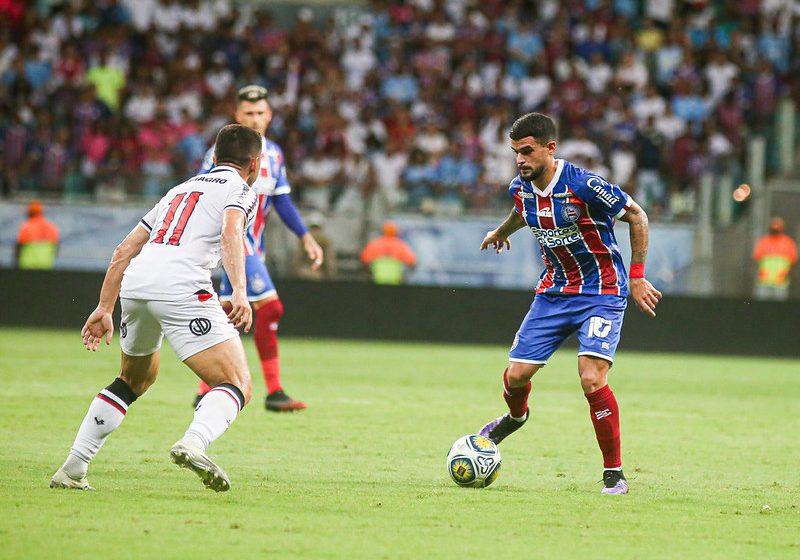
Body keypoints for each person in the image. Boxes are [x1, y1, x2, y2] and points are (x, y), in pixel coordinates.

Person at [50, 124, 261, 492]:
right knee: (236, 383)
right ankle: (194, 442)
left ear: (214, 157)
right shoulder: (240, 190)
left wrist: (104, 307)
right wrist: (240, 291)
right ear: (255, 165)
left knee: (134, 380)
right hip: (181, 286)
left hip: (137, 283)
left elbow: (124, 249)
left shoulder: (180, 189)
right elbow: (231, 232)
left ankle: (73, 467)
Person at [476, 113, 662, 495]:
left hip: (601, 292)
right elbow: (522, 210)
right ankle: (515, 417)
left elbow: (638, 216)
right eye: (515, 153)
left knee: (591, 377)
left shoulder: (585, 184)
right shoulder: (521, 187)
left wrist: (638, 275)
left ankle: (614, 473)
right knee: (516, 376)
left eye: (527, 151)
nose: (521, 160)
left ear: (549, 148)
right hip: (554, 292)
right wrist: (500, 231)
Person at [194, 85, 324, 412]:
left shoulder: (275, 154)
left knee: (228, 313)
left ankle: (205, 387)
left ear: (269, 115)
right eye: (248, 113)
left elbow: (280, 200)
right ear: (237, 116)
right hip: (235, 243)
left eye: (259, 113)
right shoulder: (218, 153)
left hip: (254, 248)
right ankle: (274, 390)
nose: (254, 119)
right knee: (271, 307)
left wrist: (305, 236)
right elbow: (201, 193)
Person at [753, 217, 797, 301]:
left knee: (779, 308)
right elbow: (757, 257)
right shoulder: (764, 241)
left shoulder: (788, 243)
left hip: (780, 281)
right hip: (764, 281)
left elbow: (793, 260)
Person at [360, 220, 417, 285]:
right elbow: (412, 262)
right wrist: (405, 276)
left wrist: (369, 275)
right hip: (395, 282)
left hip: (377, 281)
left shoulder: (374, 244)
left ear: (382, 231)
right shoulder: (400, 245)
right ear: (396, 232)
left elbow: (364, 260)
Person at [15, 200, 60, 269]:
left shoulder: (26, 227)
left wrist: (15, 265)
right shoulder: (51, 226)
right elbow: (56, 249)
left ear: (29, 213)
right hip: (46, 265)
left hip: (28, 266)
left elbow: (19, 248)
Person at [292, 212, 336, 281]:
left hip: (305, 274)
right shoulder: (325, 240)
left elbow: (296, 259)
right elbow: (329, 262)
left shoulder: (303, 239)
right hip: (317, 275)